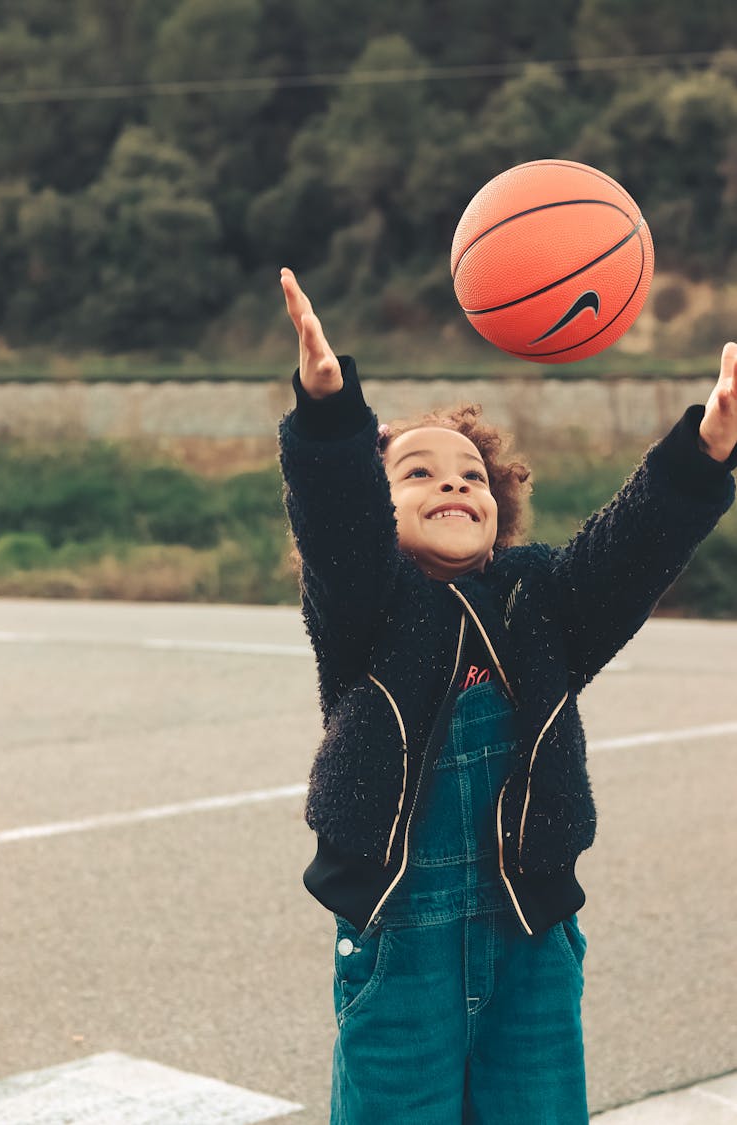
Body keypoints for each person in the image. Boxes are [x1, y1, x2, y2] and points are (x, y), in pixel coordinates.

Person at [277, 265, 737, 1124]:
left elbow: (629, 546)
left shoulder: (541, 604)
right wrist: (332, 415)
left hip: (531, 935)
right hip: (401, 939)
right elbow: (336, 519)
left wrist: (702, 452)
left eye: (472, 476)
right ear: (381, 513)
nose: (454, 484)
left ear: (501, 507)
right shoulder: (367, 608)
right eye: (417, 472)